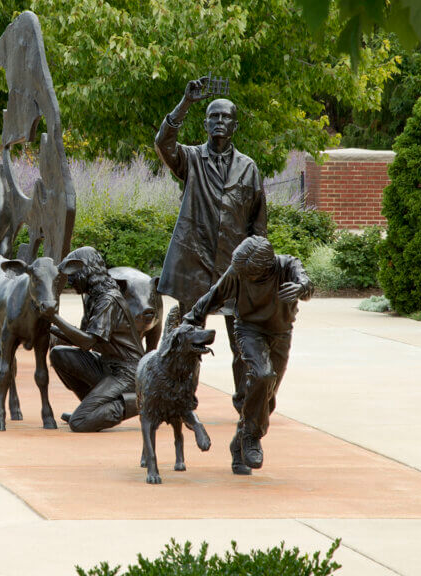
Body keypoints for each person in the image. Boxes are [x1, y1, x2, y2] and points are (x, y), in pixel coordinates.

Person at [154, 77, 268, 420]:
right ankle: (180, 400)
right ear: (205, 123)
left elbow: (258, 226)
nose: (219, 122)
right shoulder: (190, 160)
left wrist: (258, 273)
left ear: (235, 125)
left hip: (233, 271)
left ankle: (244, 407)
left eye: (225, 117)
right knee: (187, 340)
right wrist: (184, 103)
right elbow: (163, 142)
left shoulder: (248, 168)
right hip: (195, 264)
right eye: (213, 117)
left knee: (240, 344)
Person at [184, 236, 312, 475]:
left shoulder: (287, 266)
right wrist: (189, 322)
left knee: (266, 397)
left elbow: (306, 282)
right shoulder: (238, 271)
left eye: (250, 275)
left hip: (281, 333)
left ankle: (238, 444)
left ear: (266, 267)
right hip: (249, 330)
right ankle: (252, 437)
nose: (244, 277)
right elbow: (214, 296)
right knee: (262, 375)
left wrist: (301, 289)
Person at [49, 247, 144, 433]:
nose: (69, 280)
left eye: (72, 274)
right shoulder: (93, 298)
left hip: (127, 373)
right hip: (107, 365)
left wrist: (54, 318)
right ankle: (92, 409)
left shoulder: (108, 300)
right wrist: (49, 327)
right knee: (59, 354)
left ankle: (143, 402)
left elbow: (87, 343)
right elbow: (83, 337)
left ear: (86, 271)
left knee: (78, 423)